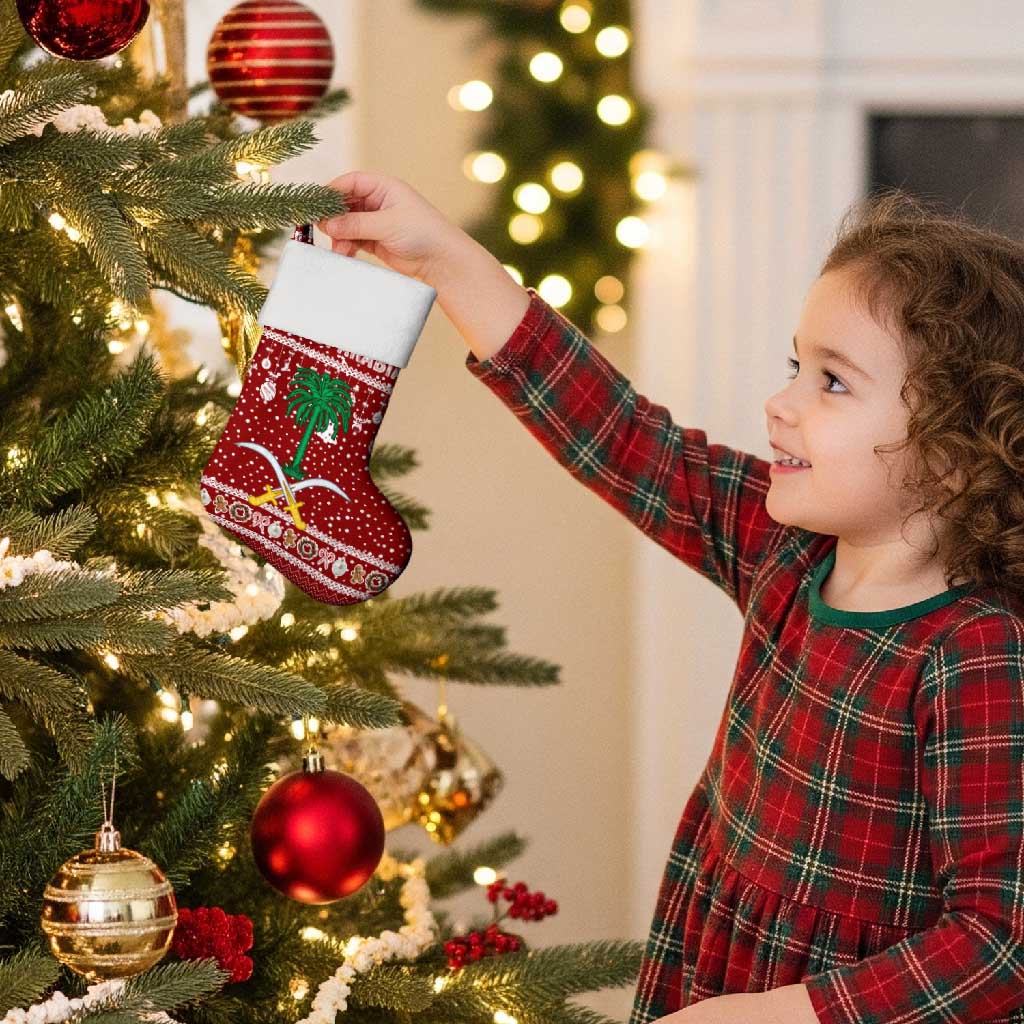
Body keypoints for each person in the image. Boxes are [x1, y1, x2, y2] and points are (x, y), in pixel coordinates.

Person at [317, 175, 1024, 1024]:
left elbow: (998, 941)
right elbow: (622, 436)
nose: (782, 403)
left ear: (957, 453)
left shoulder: (978, 652)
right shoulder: (786, 552)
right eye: (797, 367)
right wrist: (449, 260)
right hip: (714, 964)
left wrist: (779, 1016)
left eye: (832, 383)